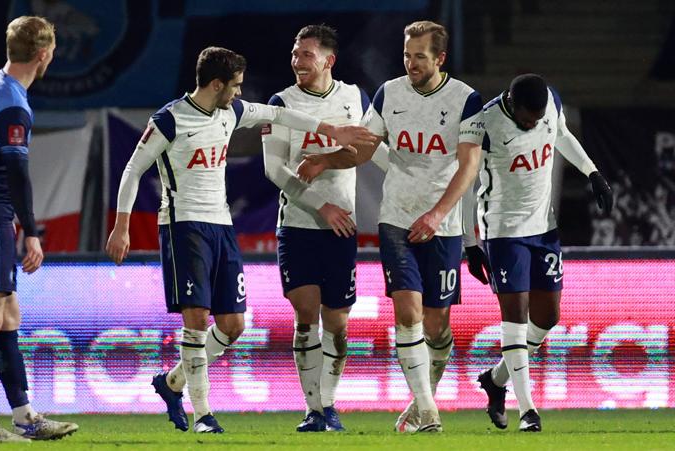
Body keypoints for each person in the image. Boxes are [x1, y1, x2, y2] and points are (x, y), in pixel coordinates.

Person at [105, 46, 375, 434]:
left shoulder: (230, 111)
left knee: (232, 325)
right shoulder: (170, 119)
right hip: (184, 226)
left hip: (222, 225)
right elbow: (133, 170)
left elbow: (279, 114)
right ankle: (203, 415)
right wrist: (122, 225)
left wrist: (332, 131)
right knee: (196, 319)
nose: (238, 93)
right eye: (235, 86)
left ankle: (172, 383)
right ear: (216, 84)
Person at [298, 20, 483, 433]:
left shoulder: (466, 100)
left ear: (440, 58)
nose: (411, 63)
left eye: (420, 56)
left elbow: (469, 166)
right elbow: (365, 147)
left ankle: (421, 402)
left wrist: (437, 215)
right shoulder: (389, 92)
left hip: (443, 225)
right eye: (406, 54)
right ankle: (429, 411)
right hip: (396, 219)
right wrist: (327, 160)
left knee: (436, 323)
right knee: (407, 311)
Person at [0, 16, 78, 442]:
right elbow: (17, 172)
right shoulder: (14, 104)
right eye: (52, 52)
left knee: (7, 316)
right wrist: (33, 231)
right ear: (43, 55)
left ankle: (25, 416)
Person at [462, 73, 613, 432]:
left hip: (544, 229)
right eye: (527, 119)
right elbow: (467, 185)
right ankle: (528, 410)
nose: (533, 125)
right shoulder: (484, 125)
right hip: (503, 233)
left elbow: (561, 134)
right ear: (512, 105)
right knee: (514, 318)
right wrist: (471, 242)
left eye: (537, 118)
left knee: (547, 318)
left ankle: (496, 380)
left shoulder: (551, 102)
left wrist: (593, 173)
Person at [260, 24, 376, 432]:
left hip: (341, 224)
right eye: (295, 54)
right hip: (298, 222)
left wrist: (328, 161)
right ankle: (314, 408)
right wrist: (319, 204)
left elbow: (362, 148)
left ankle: (330, 401)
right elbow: (274, 169)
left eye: (306, 54)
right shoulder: (280, 103)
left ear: (329, 60)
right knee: (306, 312)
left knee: (338, 322)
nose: (297, 61)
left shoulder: (351, 97)